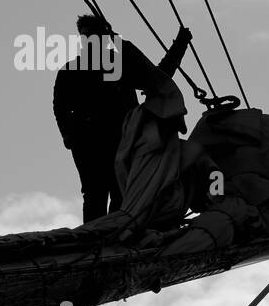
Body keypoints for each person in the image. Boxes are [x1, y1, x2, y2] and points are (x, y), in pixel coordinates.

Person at [54, 14, 192, 222]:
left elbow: (158, 77)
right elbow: (60, 106)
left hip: (121, 139)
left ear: (103, 36)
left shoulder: (118, 65)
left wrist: (180, 45)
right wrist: (69, 136)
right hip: (88, 142)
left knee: (120, 191)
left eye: (94, 36)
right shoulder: (72, 70)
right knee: (95, 192)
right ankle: (96, 239)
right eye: (85, 37)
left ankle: (111, 235)